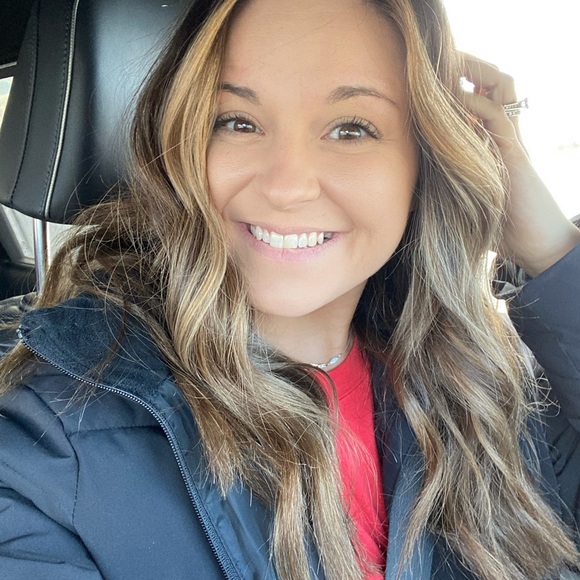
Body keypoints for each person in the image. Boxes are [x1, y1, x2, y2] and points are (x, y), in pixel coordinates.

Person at [1, 0, 579, 578]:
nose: (286, 186)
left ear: (427, 162)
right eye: (238, 122)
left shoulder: (483, 385)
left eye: (351, 129)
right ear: (181, 144)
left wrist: (550, 248)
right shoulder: (47, 450)